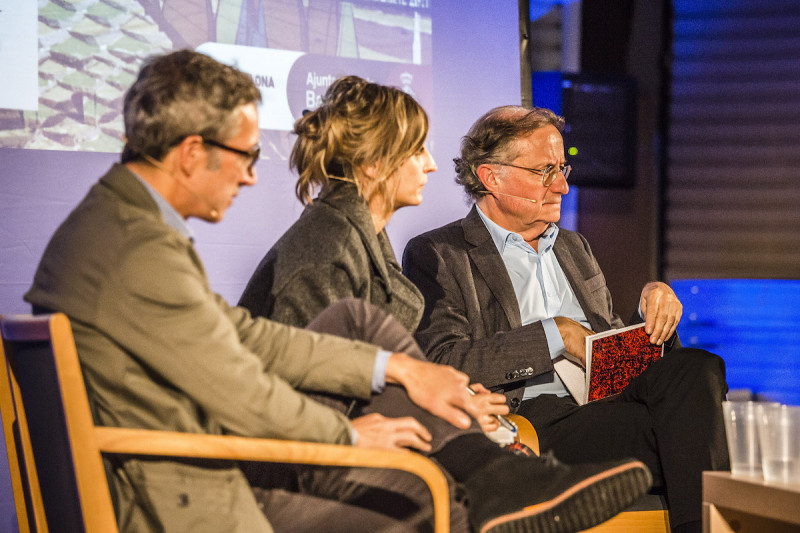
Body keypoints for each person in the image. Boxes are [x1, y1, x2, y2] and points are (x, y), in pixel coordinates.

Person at [24, 52, 652, 533]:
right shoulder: (136, 250)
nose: (249, 174)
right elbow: (241, 388)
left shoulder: (123, 227)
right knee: (438, 506)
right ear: (192, 152)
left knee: (363, 328)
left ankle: (498, 481)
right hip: (192, 488)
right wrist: (354, 438)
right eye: (244, 154)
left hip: (204, 460)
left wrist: (404, 368)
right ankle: (492, 486)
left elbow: (245, 337)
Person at [402, 105, 730, 533]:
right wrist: (554, 334)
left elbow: (607, 349)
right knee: (692, 435)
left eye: (562, 168)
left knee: (698, 369)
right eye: (544, 171)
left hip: (604, 407)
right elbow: (445, 360)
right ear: (491, 177)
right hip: (532, 422)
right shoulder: (440, 253)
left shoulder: (574, 247)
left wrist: (652, 314)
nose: (561, 185)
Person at [238, 75, 507, 432]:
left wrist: (451, 396)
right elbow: (314, 388)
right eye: (417, 151)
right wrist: (449, 410)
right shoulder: (327, 249)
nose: (431, 164)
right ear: (374, 164)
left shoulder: (356, 235)